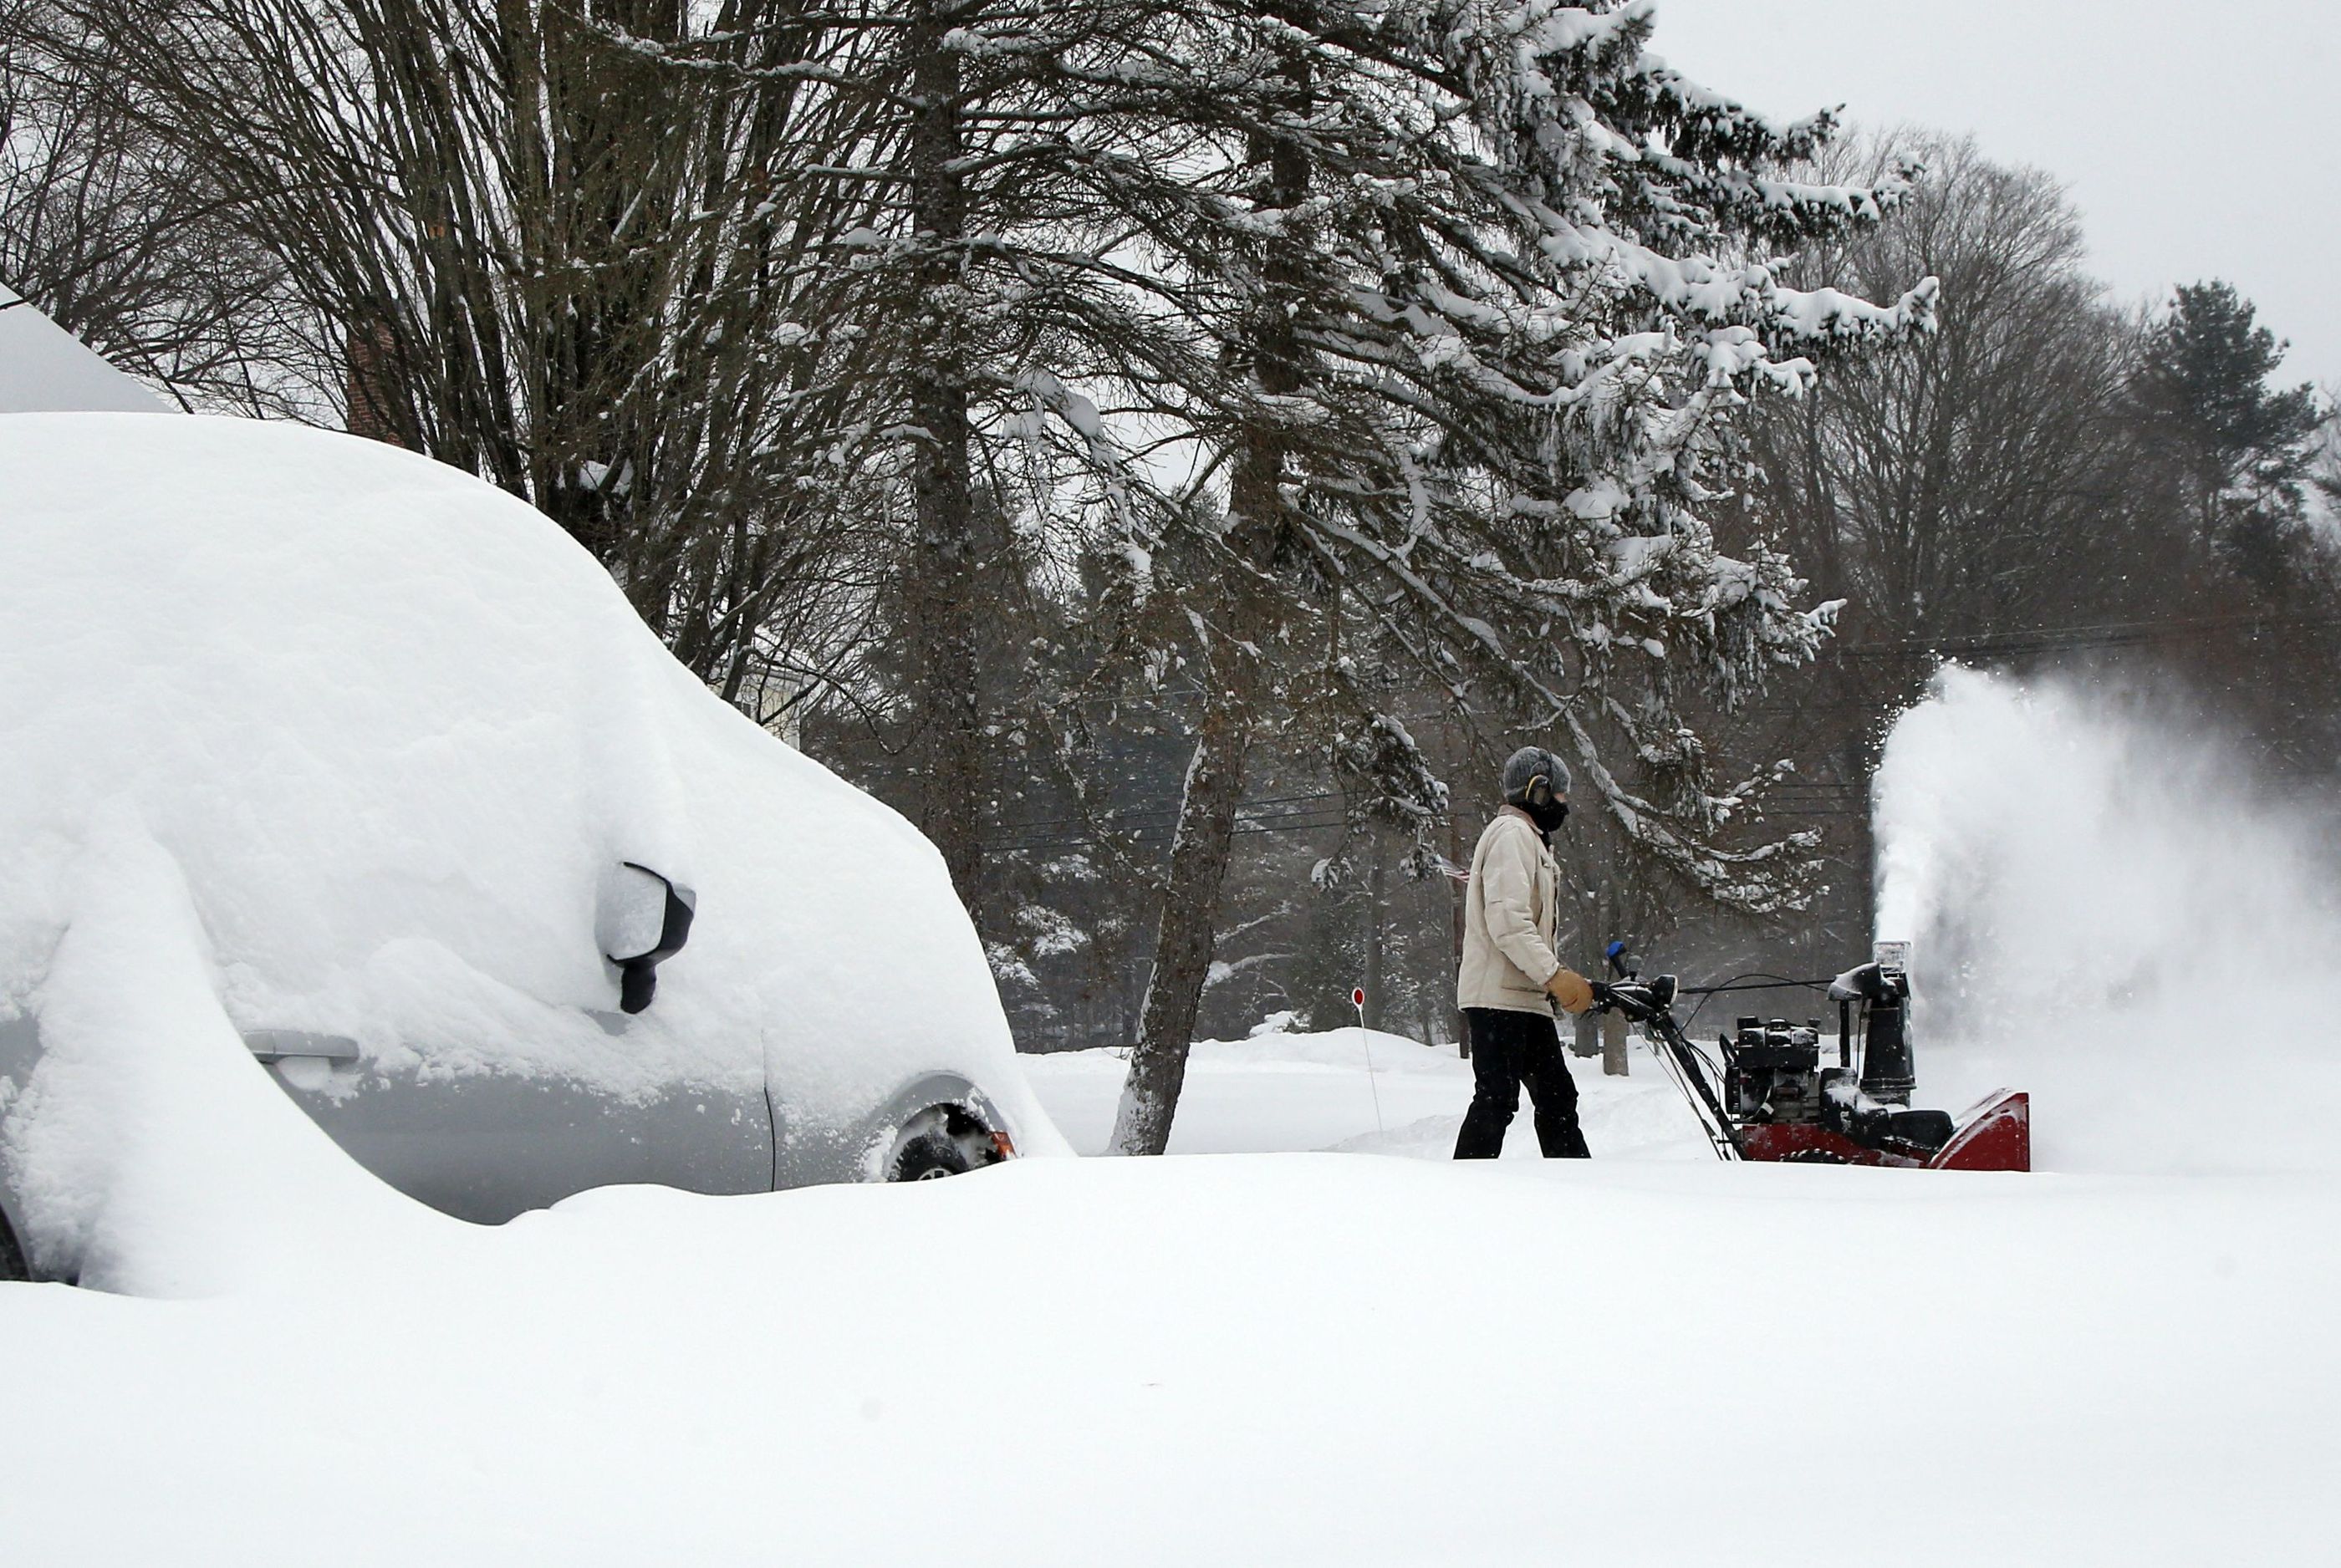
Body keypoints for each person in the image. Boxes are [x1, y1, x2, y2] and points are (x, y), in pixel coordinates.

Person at [1453, 745, 1596, 1159]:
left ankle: (1578, 1183)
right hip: (1499, 997)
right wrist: (1555, 976)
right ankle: (1460, 1189)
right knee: (1497, 1099)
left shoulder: (1530, 841)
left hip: (1524, 996)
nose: (1564, 806)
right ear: (1538, 792)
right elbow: (1509, 923)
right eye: (1561, 796)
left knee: (1556, 1099)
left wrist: (1551, 980)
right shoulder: (1512, 836)